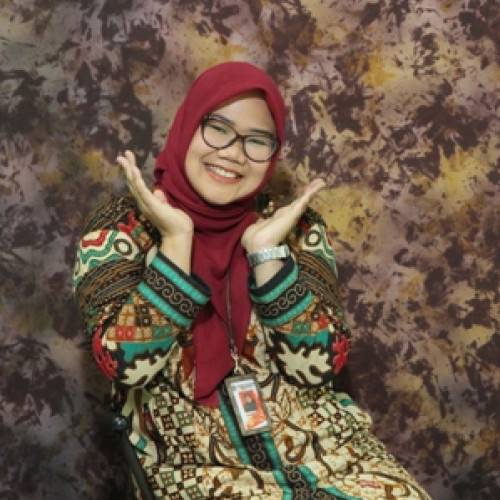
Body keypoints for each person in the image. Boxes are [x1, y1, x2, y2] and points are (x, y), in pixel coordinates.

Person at [73, 61, 431, 499]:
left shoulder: (294, 227)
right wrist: (176, 242)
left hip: (330, 454)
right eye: (218, 129)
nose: (233, 153)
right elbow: (127, 366)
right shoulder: (119, 230)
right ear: (188, 126)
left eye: (256, 140)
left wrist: (266, 255)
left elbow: (317, 367)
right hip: (197, 469)